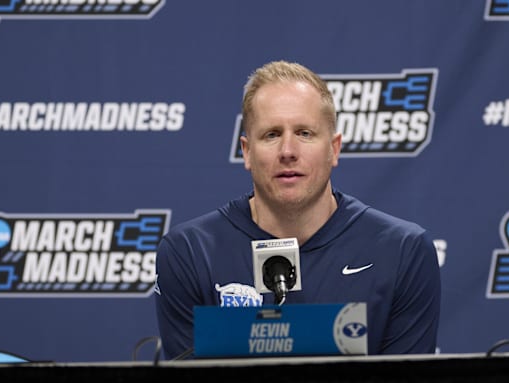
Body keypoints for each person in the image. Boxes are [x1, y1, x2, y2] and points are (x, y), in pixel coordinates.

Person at [154, 60, 441, 359]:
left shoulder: (403, 251)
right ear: (247, 151)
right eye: (271, 134)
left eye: (304, 133)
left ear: (334, 149)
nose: (288, 151)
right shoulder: (188, 252)